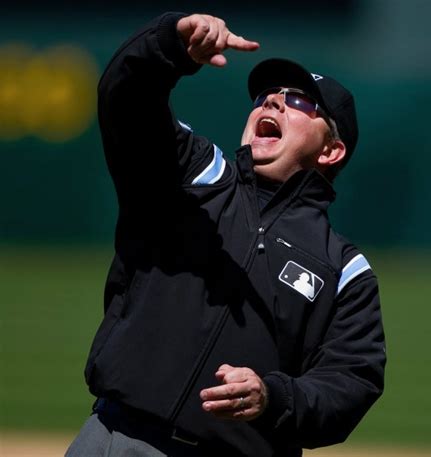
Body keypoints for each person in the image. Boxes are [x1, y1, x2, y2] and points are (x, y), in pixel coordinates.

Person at [66, 11, 386, 457]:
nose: (272, 101)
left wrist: (274, 397)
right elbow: (127, 101)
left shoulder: (343, 270)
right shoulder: (193, 175)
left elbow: (350, 382)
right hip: (118, 439)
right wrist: (169, 47)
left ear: (331, 150)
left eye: (299, 102)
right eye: (266, 95)